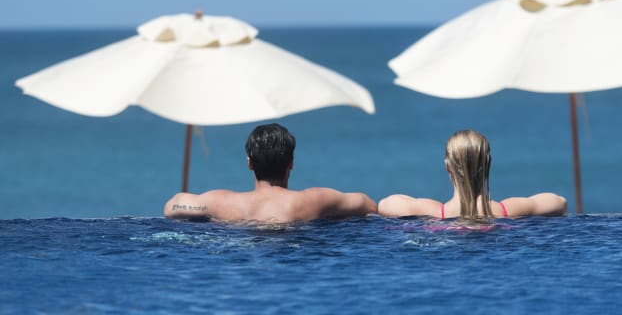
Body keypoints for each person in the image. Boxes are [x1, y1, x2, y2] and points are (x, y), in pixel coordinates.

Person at [164, 123, 377, 223]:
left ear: (250, 163)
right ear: (291, 164)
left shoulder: (221, 202)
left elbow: (172, 207)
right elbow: (367, 204)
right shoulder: (315, 200)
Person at [378, 130, 567, 220]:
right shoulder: (507, 210)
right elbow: (559, 202)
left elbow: (384, 204)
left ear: (447, 167)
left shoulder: (433, 213)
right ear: (488, 164)